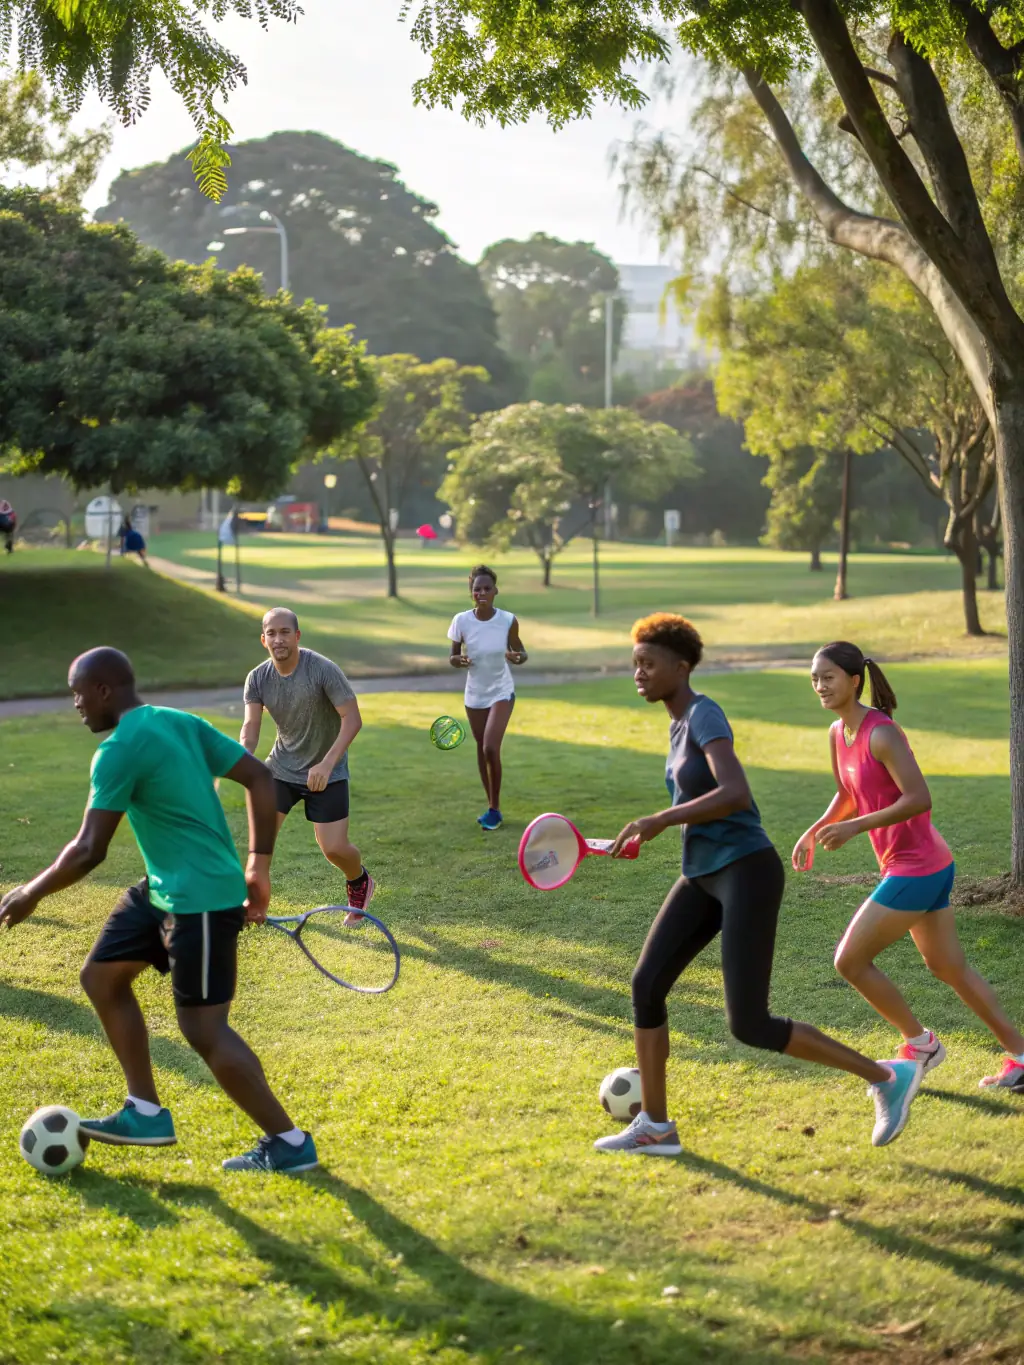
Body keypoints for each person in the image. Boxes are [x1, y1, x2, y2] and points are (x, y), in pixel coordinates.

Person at [594, 613, 922, 1156]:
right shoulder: (677, 725)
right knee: (646, 984)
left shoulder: (704, 714)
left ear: (681, 667)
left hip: (747, 870)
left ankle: (887, 1077)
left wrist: (660, 820)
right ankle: (655, 1125)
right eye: (635, 665)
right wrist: (648, 833)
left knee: (748, 1022)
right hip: (702, 873)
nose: (639, 674)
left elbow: (736, 792)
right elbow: (700, 806)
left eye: (648, 665)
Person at [0, 647, 317, 1173]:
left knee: (203, 1029)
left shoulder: (119, 749)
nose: (76, 705)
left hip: (202, 900)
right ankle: (145, 1110)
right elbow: (260, 777)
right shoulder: (179, 722)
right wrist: (258, 863)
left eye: (79, 694)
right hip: (163, 889)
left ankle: (289, 1142)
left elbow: (88, 849)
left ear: (104, 690)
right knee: (102, 978)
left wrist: (30, 892)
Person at [794, 640, 1024, 1091]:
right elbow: (847, 792)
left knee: (850, 960)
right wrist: (817, 828)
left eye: (828, 678)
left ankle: (920, 1043)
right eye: (815, 679)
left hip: (917, 868)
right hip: (922, 866)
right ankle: (1021, 1055)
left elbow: (918, 798)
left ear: (854, 681)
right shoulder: (838, 733)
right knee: (949, 968)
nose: (820, 686)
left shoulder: (881, 733)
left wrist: (855, 828)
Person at [242, 608, 373, 924]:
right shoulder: (257, 678)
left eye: (285, 632)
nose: (278, 639)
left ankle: (359, 881)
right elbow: (251, 727)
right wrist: (241, 760)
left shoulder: (322, 670)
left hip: (327, 772)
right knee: (259, 848)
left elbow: (352, 719)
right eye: (271, 633)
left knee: (334, 849)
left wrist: (327, 764)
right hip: (281, 771)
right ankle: (253, 909)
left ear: (297, 636)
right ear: (263, 639)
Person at [447, 565, 527, 831]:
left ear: (495, 591)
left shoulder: (507, 620)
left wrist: (517, 657)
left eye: (486, 588)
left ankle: (494, 808)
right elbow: (453, 657)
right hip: (475, 694)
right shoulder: (461, 621)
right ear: (471, 593)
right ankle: (493, 807)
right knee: (482, 749)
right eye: (476, 589)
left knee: (491, 747)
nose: (482, 592)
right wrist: (458, 660)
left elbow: (521, 652)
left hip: (502, 690)